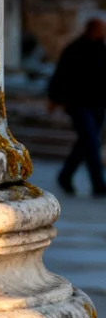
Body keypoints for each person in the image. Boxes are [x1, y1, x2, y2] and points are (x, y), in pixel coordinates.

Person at [52, 18, 106, 197]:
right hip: (78, 104)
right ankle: (98, 184)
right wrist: (54, 98)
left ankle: (65, 175)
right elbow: (61, 74)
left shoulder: (101, 49)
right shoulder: (75, 49)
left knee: (86, 143)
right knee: (90, 142)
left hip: (98, 104)